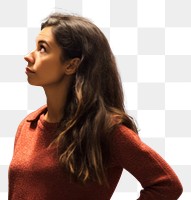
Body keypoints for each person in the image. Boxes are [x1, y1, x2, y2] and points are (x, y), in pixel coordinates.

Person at [8, 12, 183, 200]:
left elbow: (167, 185)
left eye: (43, 49)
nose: (28, 56)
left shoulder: (105, 131)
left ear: (71, 65)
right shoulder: (28, 125)